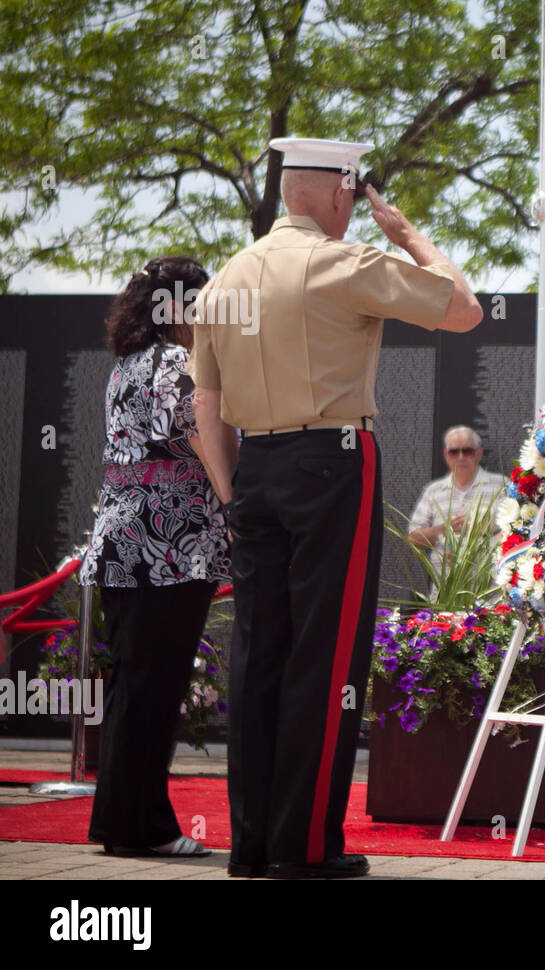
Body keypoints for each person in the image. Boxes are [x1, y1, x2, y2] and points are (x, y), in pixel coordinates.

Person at [188, 137, 483, 879]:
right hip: (330, 464)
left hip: (253, 469)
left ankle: (252, 848)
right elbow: (465, 309)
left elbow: (205, 409)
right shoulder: (344, 263)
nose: (354, 206)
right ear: (335, 194)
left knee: (258, 657)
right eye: (352, 195)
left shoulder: (226, 278)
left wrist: (232, 494)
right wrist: (409, 235)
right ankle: (306, 849)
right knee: (326, 658)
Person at [81, 256, 230, 858]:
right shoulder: (174, 363)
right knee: (156, 687)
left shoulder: (125, 366)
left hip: (123, 542)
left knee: (132, 686)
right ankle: (143, 827)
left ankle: (119, 822)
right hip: (169, 549)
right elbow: (198, 430)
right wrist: (233, 500)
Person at [407, 426, 506, 595]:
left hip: (489, 594)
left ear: (478, 453)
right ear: (446, 455)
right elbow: (414, 538)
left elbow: (517, 531)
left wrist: (479, 532)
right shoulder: (434, 491)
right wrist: (444, 530)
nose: (461, 458)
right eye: (454, 452)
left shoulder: (500, 486)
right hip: (445, 594)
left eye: (467, 451)